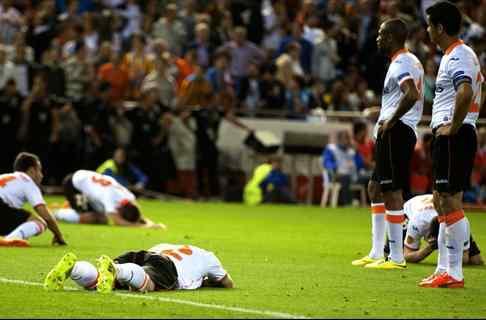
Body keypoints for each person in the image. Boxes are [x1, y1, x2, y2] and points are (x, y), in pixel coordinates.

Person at [420, 1, 483, 288]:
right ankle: (444, 268)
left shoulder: (458, 55)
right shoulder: (455, 54)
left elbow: (466, 91)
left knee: (449, 201)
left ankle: (455, 272)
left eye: (429, 25)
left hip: (454, 136)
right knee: (439, 200)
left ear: (440, 27)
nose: (427, 30)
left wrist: (456, 125)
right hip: (450, 136)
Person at [352, 18, 424, 269]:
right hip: (393, 131)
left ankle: (396, 257)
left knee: (392, 190)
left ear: (392, 37)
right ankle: (375, 252)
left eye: (382, 34)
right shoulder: (406, 61)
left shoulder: (402, 62)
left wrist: (391, 120)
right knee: (375, 187)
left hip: (397, 132)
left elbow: (411, 94)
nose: (377, 38)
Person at [44, 243, 234, 293]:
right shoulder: (208, 257)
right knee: (147, 284)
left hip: (145, 255)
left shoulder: (169, 244)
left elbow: (149, 256)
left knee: (99, 283)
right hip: (169, 268)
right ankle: (115, 270)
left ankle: (73, 269)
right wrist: (207, 282)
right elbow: (227, 283)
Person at [385, 194, 483, 265]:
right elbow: (407, 255)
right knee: (391, 255)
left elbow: (464, 258)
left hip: (441, 212)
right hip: (412, 208)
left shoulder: (461, 222)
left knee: (476, 260)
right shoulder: (417, 222)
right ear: (428, 236)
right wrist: (428, 248)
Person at [53, 169, 165, 229]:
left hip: (85, 181)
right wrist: (142, 227)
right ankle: (57, 213)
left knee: (102, 218)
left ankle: (71, 206)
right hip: (73, 185)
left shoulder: (129, 197)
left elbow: (138, 215)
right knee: (91, 218)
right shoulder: (110, 198)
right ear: (120, 211)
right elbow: (117, 222)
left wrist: (152, 224)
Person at [0, 152, 66, 247]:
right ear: (31, 171)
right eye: (39, 170)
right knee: (40, 222)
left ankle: (10, 237)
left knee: (16, 225)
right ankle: (10, 240)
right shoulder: (27, 181)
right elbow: (46, 216)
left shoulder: (5, 176)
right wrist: (58, 235)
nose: (42, 175)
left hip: (4, 211)